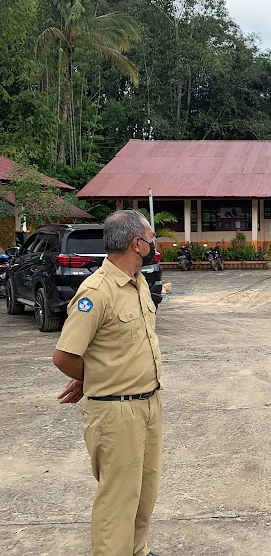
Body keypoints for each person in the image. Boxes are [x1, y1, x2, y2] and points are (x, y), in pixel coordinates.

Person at [51, 210, 163, 556]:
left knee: (144, 495)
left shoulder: (138, 282)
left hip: (148, 404)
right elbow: (64, 355)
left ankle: (137, 551)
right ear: (136, 244)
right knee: (118, 500)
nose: (153, 244)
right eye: (150, 238)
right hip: (115, 413)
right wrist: (90, 377)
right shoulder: (96, 292)